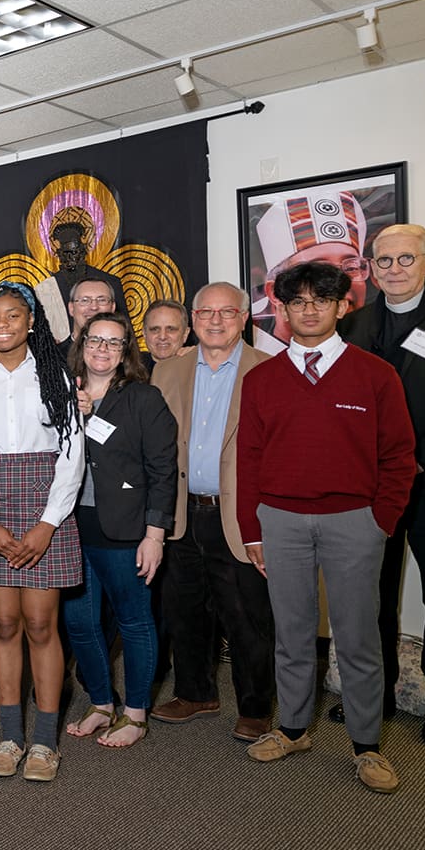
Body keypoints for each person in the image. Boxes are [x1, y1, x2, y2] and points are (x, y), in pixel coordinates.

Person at [238, 261, 417, 794]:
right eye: (297, 301)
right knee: (291, 634)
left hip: (354, 523)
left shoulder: (375, 374)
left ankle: (366, 746)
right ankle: (293, 729)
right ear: (284, 311)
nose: (308, 309)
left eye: (322, 299)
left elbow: (400, 456)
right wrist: (253, 529)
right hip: (282, 521)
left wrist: (379, 520)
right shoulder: (262, 378)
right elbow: (248, 458)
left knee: (358, 637)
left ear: (344, 306)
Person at [338, 223, 425, 747]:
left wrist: (417, 460)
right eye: (383, 261)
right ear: (370, 268)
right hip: (368, 485)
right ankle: (376, 696)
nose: (393, 270)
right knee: (370, 594)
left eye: (405, 259)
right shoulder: (354, 324)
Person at [0, 281, 84, 782]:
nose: (2, 325)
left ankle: (45, 743)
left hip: (45, 506)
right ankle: (10, 736)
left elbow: (72, 455)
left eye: (12, 316)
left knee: (40, 625)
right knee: (3, 623)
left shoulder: (55, 376)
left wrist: (50, 523)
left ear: (31, 322)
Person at [150, 284, 277, 742]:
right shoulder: (167, 371)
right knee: (184, 610)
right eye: (206, 312)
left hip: (241, 515)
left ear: (245, 319)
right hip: (183, 512)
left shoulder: (269, 371)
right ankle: (195, 692)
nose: (216, 320)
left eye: (227, 312)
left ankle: (256, 707)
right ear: (194, 318)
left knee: (247, 615)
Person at [60, 312, 177, 748]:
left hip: (125, 530)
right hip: (70, 527)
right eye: (95, 340)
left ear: (126, 349)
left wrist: (155, 535)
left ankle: (135, 712)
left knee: (133, 621)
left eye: (113, 342)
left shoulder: (143, 398)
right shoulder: (63, 394)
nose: (103, 349)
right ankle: (101, 703)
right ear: (82, 343)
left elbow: (163, 470)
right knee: (80, 624)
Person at [251, 187, 370, 352]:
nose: (340, 282)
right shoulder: (260, 366)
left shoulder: (373, 366)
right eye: (319, 268)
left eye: (351, 267)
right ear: (274, 293)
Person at [36, 221, 125, 342]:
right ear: (59, 255)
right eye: (66, 253)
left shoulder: (110, 282)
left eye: (74, 252)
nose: (70, 258)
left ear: (82, 251)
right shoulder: (45, 288)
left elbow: (125, 331)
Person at [142, 299, 192, 372]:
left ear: (185, 334)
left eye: (171, 329)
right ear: (144, 333)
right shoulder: (127, 372)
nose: (162, 337)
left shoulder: (199, 370)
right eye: (155, 329)